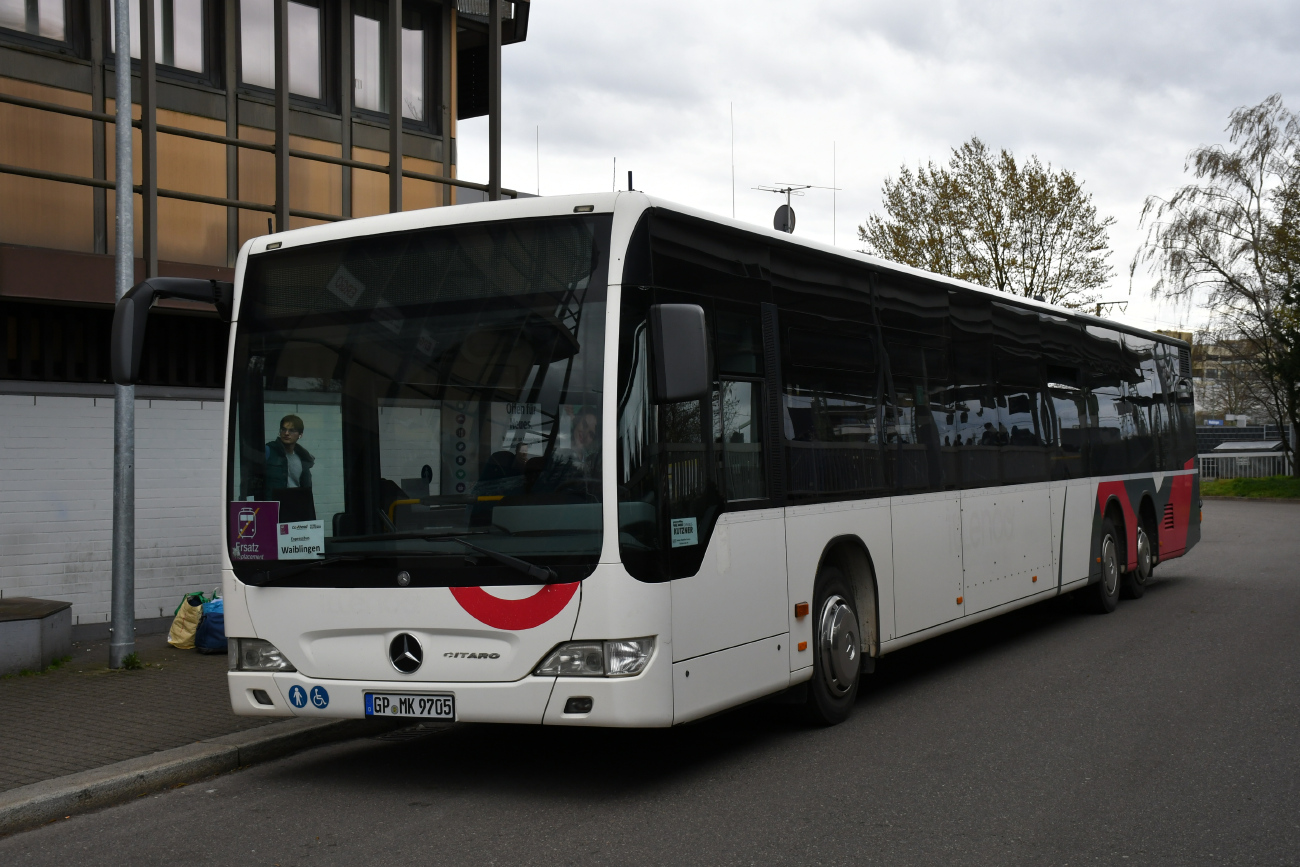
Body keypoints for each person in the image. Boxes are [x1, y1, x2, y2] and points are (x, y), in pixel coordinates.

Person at [265, 414, 314, 496]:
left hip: (296, 503)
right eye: (283, 429)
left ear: (300, 435)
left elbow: (306, 487)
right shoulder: (269, 450)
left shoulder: (303, 457)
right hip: (275, 505)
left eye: (292, 430)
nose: (286, 433)